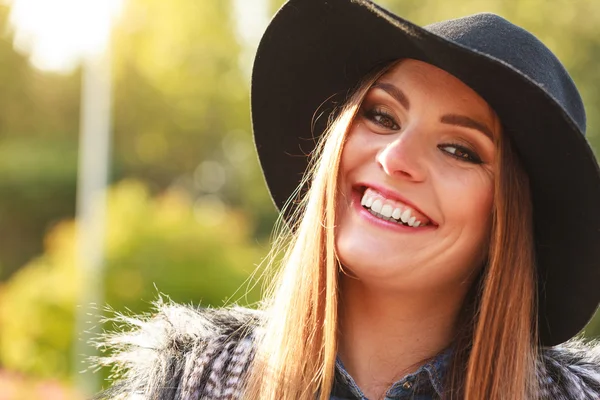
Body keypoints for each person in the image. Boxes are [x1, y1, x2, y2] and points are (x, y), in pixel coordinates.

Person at [95, 0, 600, 399]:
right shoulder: (190, 386)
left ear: (510, 222)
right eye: (381, 116)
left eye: (459, 149)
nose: (395, 157)